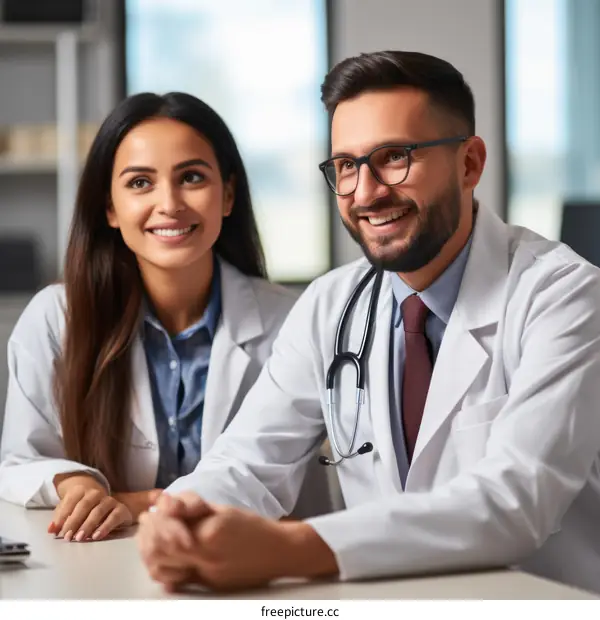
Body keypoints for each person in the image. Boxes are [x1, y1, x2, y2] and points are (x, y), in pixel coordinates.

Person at [136, 51, 600, 596]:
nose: (366, 191)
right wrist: (182, 514)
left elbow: (515, 500)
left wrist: (291, 549)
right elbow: (248, 462)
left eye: (395, 157)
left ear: (470, 164)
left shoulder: (564, 295)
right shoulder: (331, 304)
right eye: (348, 166)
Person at [0, 92, 332, 542]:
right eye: (140, 183)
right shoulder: (55, 318)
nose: (170, 203)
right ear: (110, 208)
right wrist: (73, 482)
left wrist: (136, 501)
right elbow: (18, 464)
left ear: (228, 194)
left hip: (264, 574)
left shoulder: (291, 321)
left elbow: (266, 480)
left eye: (191, 177)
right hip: (105, 574)